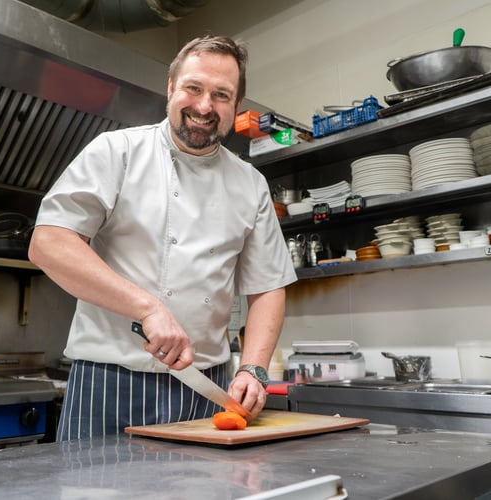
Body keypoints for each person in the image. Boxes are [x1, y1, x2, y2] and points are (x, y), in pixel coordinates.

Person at [28, 35, 297, 440]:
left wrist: (253, 368)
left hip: (206, 389)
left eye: (221, 95)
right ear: (171, 88)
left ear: (236, 106)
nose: (205, 107)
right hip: (108, 383)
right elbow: (48, 243)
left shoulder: (251, 184)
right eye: (194, 88)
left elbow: (268, 287)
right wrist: (148, 308)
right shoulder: (117, 152)